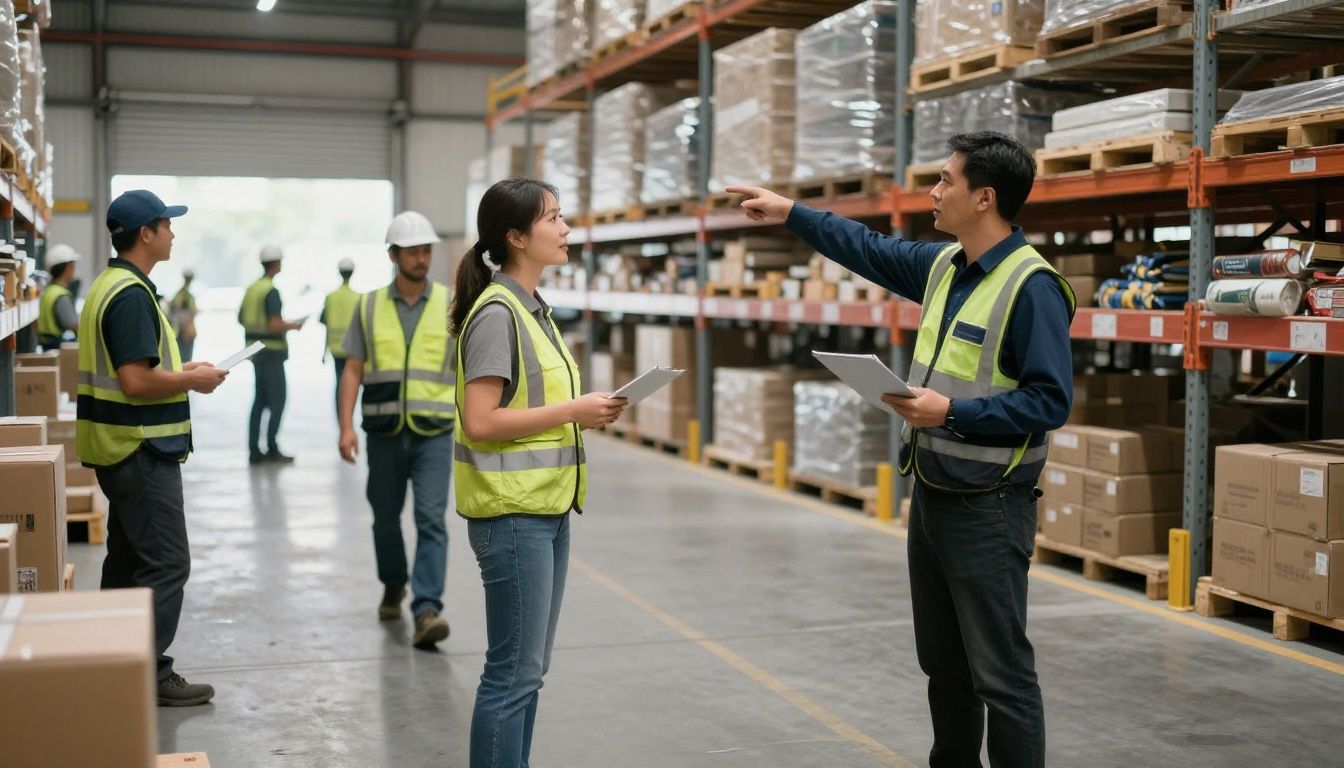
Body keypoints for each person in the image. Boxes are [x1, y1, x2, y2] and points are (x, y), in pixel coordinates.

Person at [727, 131, 1075, 768]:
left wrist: (953, 411)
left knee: (1002, 677)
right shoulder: (946, 267)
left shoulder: (1033, 288)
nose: (934, 192)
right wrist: (792, 213)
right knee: (945, 669)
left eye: (946, 181)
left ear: (985, 197)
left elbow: (1049, 402)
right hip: (934, 496)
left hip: (991, 509)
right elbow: (868, 249)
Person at [452, 178, 627, 768]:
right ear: (517, 237)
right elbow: (481, 420)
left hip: (545, 511)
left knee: (529, 672)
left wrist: (584, 415)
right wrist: (574, 411)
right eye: (553, 219)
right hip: (512, 515)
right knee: (512, 674)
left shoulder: (533, 311)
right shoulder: (499, 314)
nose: (566, 229)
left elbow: (531, 408)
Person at [75, 189, 229, 707]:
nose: (173, 233)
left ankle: (111, 658)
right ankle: (146, 673)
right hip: (139, 448)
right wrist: (195, 384)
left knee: (125, 561)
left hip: (116, 447)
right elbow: (136, 384)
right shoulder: (131, 295)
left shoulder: (110, 285)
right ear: (146, 234)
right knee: (167, 563)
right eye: (167, 224)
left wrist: (182, 371)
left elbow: (136, 371)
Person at [337, 212, 454, 649]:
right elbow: (352, 370)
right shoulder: (367, 306)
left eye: (427, 250)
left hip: (434, 434)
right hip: (383, 433)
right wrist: (345, 427)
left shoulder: (450, 304)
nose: (422, 259)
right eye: (413, 251)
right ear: (393, 255)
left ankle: (427, 609)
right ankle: (393, 583)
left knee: (430, 519)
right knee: (385, 521)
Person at [239, 245, 302, 465]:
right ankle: (272, 447)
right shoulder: (270, 291)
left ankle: (254, 450)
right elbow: (275, 324)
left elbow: (241, 318)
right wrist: (294, 325)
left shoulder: (252, 289)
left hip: (255, 352)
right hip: (272, 353)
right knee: (277, 401)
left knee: (259, 401)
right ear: (277, 264)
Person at [321, 257, 360, 415]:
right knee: (352, 382)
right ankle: (348, 415)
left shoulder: (331, 297)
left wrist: (323, 352)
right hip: (353, 349)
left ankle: (341, 416)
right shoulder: (358, 297)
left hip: (336, 348)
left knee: (339, 383)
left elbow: (325, 323)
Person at [37, 243, 81, 349]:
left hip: (45, 346)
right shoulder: (61, 295)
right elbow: (74, 325)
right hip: (58, 348)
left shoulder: (48, 291)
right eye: (72, 266)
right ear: (66, 268)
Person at [168, 269, 198, 361]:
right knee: (185, 360)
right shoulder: (184, 295)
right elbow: (184, 314)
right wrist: (186, 330)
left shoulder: (183, 293)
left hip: (183, 331)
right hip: (184, 332)